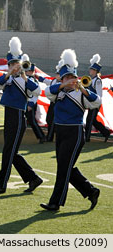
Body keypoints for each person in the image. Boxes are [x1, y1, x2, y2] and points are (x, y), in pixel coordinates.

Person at [41, 49, 100, 211]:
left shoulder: (80, 93)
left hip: (74, 133)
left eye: (71, 77)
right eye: (66, 77)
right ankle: (91, 191)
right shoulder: (57, 92)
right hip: (60, 132)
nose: (69, 80)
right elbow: (46, 92)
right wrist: (62, 85)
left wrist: (82, 88)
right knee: (65, 168)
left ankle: (55, 203)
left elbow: (96, 102)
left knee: (63, 170)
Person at [0, 37, 43, 194]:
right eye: (11, 64)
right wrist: (8, 73)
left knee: (8, 152)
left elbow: (37, 91)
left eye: (15, 64)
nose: (14, 67)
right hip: (8, 115)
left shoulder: (25, 79)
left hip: (18, 117)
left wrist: (24, 76)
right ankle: (33, 178)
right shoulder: (7, 78)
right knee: (12, 152)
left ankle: (1, 185)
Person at [84, 54, 110, 142]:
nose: (89, 70)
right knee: (93, 120)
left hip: (95, 103)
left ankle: (86, 138)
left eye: (91, 69)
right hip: (92, 103)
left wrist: (95, 103)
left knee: (89, 120)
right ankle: (105, 132)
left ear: (95, 71)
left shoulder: (98, 81)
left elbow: (99, 94)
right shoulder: (92, 79)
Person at [35, 61, 62, 142]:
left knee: (53, 120)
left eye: (58, 74)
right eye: (57, 74)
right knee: (49, 119)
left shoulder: (62, 83)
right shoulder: (54, 81)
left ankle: (49, 137)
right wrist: (37, 76)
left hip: (58, 104)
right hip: (52, 103)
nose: (56, 75)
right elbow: (46, 81)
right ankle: (52, 135)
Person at [22, 56, 46, 144]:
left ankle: (41, 136)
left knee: (32, 121)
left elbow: (35, 94)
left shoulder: (32, 80)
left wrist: (30, 104)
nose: (26, 72)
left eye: (28, 71)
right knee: (26, 120)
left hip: (30, 103)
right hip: (28, 102)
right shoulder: (29, 79)